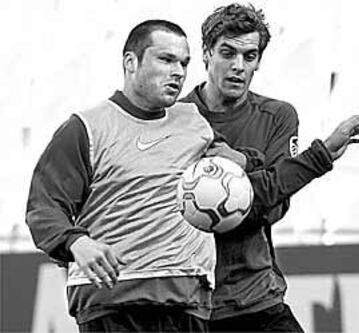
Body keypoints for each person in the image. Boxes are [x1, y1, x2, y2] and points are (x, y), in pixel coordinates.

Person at [25, 19, 247, 333]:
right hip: (114, 301)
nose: (179, 72)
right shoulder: (86, 127)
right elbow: (43, 206)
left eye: (184, 63)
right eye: (166, 60)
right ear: (131, 62)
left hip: (188, 300)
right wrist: (76, 242)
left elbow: (233, 162)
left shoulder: (194, 122)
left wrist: (241, 161)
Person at [182, 3, 359, 332]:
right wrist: (257, 173)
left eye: (249, 56)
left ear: (259, 60)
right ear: (206, 53)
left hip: (256, 298)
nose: (238, 66)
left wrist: (239, 167)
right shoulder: (177, 119)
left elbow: (274, 205)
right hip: (190, 305)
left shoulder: (278, 116)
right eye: (227, 53)